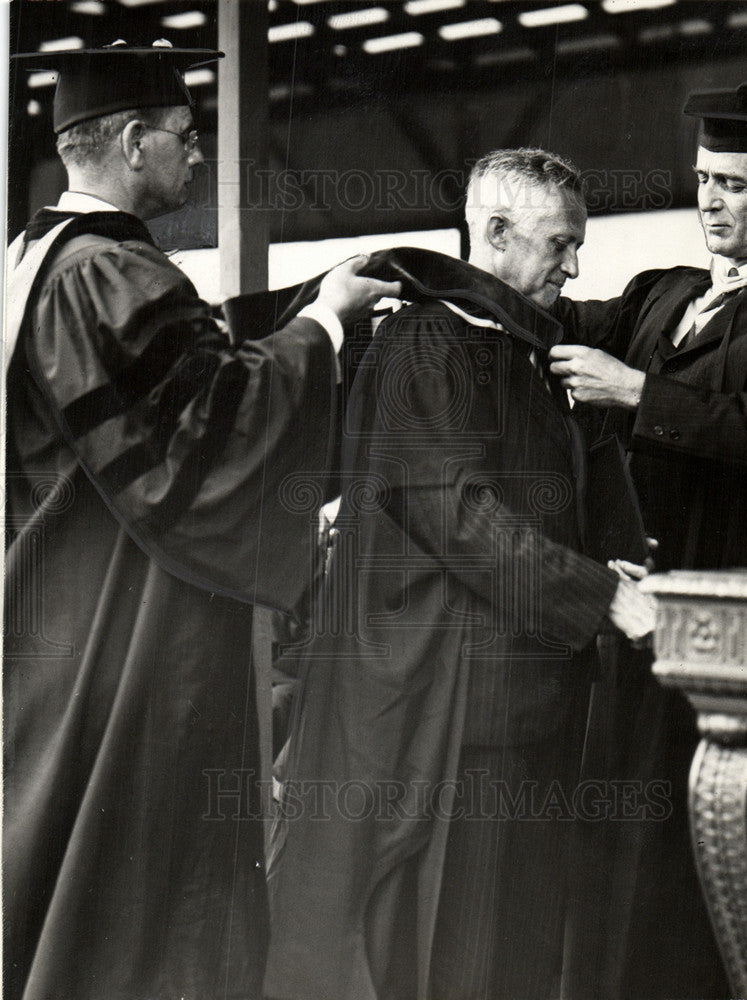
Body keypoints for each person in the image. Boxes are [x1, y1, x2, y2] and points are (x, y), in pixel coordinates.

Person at [4, 41, 401, 1000]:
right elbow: (212, 432)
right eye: (184, 137)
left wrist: (284, 319)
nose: (196, 156)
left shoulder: (35, 259)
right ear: (133, 144)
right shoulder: (107, 274)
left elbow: (173, 380)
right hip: (127, 627)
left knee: (58, 854)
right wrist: (329, 324)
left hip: (55, 610)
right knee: (145, 874)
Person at [263, 148, 656, 1000]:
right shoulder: (428, 342)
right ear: (496, 234)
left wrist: (599, 564)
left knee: (513, 951)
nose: (574, 265)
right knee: (462, 959)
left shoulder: (514, 351)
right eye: (559, 244)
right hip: (457, 720)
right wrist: (601, 596)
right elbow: (456, 514)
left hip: (519, 706)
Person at [550, 84, 747, 999]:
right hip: (640, 613)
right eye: (701, 181)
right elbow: (553, 324)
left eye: (734, 184)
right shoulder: (663, 291)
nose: (709, 201)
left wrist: (636, 393)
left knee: (715, 862)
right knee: (626, 858)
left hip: (736, 626)